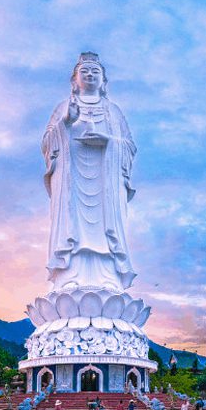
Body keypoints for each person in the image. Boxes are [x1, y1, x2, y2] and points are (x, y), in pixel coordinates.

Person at [42, 52, 138, 292]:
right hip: (72, 180)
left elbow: (129, 145)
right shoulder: (63, 108)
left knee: (105, 230)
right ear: (75, 79)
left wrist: (108, 141)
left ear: (103, 80)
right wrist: (65, 123)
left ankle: (108, 279)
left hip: (106, 181)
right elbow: (47, 144)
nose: (90, 74)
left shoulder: (113, 111)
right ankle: (69, 277)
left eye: (96, 71)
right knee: (72, 223)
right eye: (84, 71)